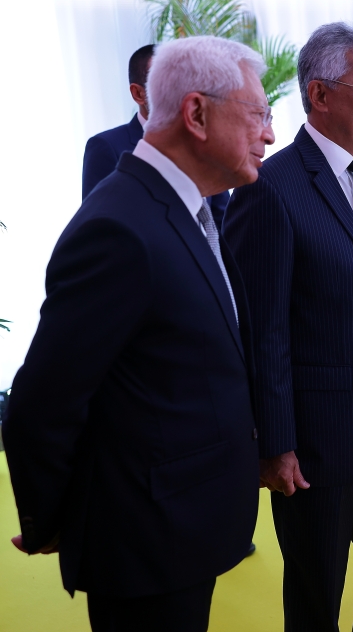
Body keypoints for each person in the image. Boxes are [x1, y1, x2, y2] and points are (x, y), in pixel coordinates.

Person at [3, 36, 272, 631]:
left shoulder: (182, 207)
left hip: (183, 525)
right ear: (196, 114)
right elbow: (41, 402)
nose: (269, 135)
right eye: (258, 115)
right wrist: (55, 521)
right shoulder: (120, 227)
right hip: (145, 540)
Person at [224, 22, 353, 632]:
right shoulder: (271, 186)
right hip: (316, 443)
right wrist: (276, 440)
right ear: (319, 94)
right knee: (316, 596)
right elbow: (264, 329)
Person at [82, 44, 230, 229]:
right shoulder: (107, 147)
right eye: (166, 83)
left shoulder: (203, 142)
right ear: (138, 94)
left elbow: (223, 221)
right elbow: (99, 229)